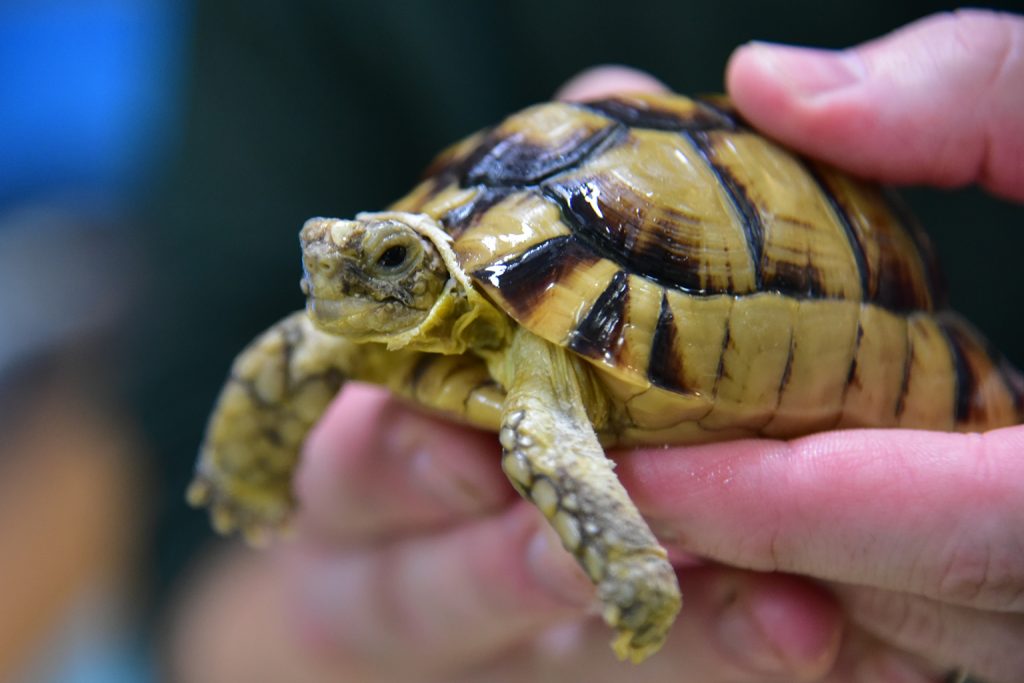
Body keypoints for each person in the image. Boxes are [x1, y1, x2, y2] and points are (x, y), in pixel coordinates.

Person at [169, 10, 1023, 683]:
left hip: (839, 270)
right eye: (337, 267)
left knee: (538, 434)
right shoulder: (370, 313)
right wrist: (252, 492)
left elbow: (548, 442)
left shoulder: (535, 369)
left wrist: (626, 576)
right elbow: (175, 532)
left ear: (433, 269)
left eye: (390, 262)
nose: (348, 287)